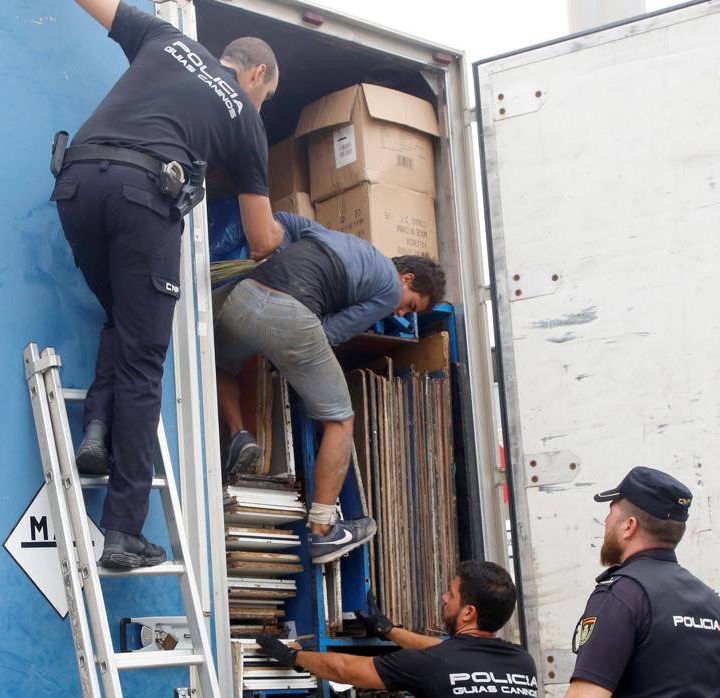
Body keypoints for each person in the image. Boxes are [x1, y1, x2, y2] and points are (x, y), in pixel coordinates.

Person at [54, 0, 285, 570]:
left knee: (124, 321)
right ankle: (123, 531)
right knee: (144, 361)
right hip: (144, 200)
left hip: (77, 183)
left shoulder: (165, 38)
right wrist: (282, 234)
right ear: (256, 75)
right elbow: (260, 238)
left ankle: (97, 430)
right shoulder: (244, 114)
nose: (261, 105)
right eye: (268, 95)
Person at [214, 211, 444, 563]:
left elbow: (285, 220)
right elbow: (330, 332)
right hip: (290, 317)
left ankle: (238, 432)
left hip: (244, 296)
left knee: (221, 364)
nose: (399, 312)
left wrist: (278, 258)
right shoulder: (386, 288)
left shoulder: (335, 237)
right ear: (406, 277)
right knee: (339, 420)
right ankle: (323, 530)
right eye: (409, 303)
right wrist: (289, 354)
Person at [567, 466, 720, 697]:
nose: (605, 523)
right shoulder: (712, 603)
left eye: (611, 514)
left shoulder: (621, 595)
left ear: (629, 526)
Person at [254, 560, 538, 697]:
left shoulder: (435, 665)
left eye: (451, 595)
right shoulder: (523, 663)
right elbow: (447, 654)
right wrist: (387, 630)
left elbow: (344, 668)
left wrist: (295, 657)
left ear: (468, 612)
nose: (444, 599)